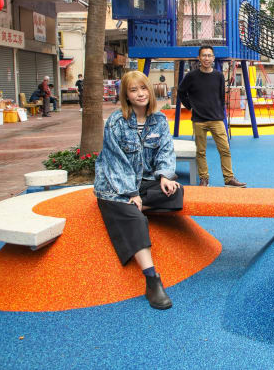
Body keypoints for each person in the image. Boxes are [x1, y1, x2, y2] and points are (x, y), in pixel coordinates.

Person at [94, 70, 183, 310]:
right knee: (134, 218)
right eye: (133, 90)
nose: (140, 94)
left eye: (143, 88)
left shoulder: (159, 120)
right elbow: (115, 162)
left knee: (176, 192)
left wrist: (164, 176)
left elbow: (165, 151)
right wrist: (130, 193)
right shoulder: (116, 122)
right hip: (115, 184)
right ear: (126, 95)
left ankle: (139, 204)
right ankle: (152, 279)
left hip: (144, 180)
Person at [177, 46, 246, 187]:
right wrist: (190, 106)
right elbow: (181, 91)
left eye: (209, 55)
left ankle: (229, 178)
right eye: (204, 55)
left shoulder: (218, 76)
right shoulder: (191, 76)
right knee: (200, 152)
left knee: (225, 149)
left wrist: (219, 111)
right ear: (199, 58)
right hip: (199, 119)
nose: (206, 58)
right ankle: (204, 178)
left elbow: (221, 96)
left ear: (213, 58)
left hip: (216, 119)